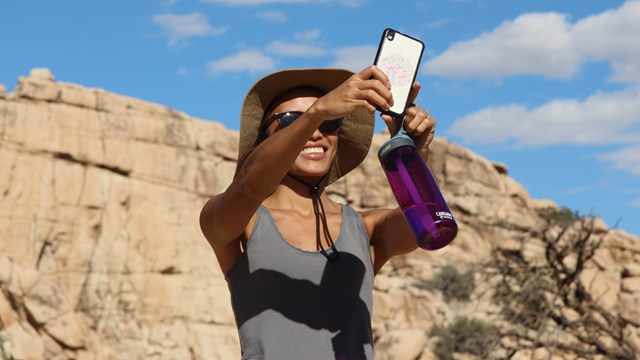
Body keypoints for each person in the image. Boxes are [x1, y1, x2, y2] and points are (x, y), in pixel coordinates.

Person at [199, 65, 436, 360]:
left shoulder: (366, 228)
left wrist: (413, 153)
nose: (317, 134)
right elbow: (249, 184)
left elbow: (426, 222)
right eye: (290, 121)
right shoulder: (240, 221)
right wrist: (318, 113)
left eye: (331, 123)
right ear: (264, 140)